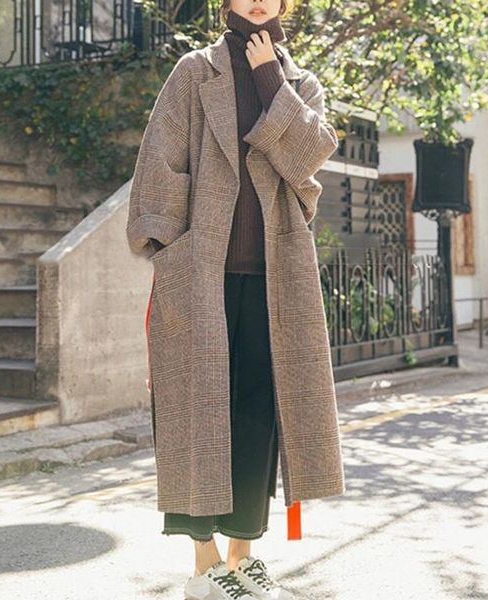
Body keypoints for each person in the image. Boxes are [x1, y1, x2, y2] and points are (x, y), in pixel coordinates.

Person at [127, 0, 344, 597]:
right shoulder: (195, 71)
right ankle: (204, 564)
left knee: (257, 416)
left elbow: (309, 156)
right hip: (202, 274)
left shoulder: (299, 82)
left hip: (275, 279)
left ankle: (242, 555)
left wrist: (270, 77)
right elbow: (161, 161)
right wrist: (167, 247)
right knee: (196, 413)